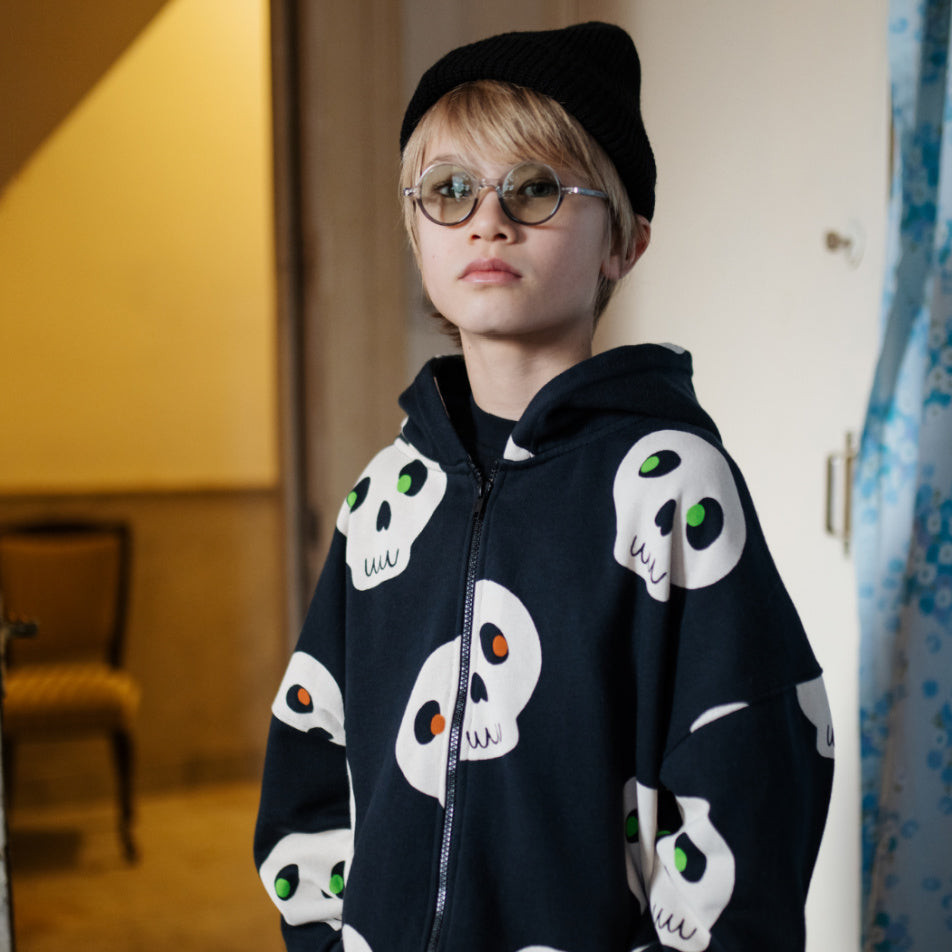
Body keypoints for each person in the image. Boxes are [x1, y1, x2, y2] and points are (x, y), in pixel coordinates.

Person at [254, 21, 834, 952]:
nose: (488, 220)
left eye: (535, 188)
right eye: (450, 191)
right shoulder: (386, 494)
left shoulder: (668, 486)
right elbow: (310, 742)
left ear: (623, 244)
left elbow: (752, 775)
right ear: (416, 232)